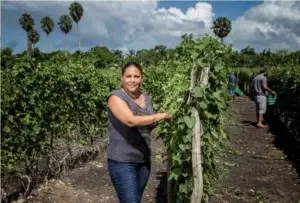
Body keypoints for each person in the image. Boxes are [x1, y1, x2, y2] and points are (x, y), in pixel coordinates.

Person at [106, 61, 171, 203]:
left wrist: (168, 122)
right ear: (121, 78)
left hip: (143, 160)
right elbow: (131, 121)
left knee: (136, 199)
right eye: (128, 76)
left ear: (142, 78)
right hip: (122, 161)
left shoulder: (145, 98)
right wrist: (161, 115)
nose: (132, 80)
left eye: (136, 76)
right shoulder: (115, 97)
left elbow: (149, 124)